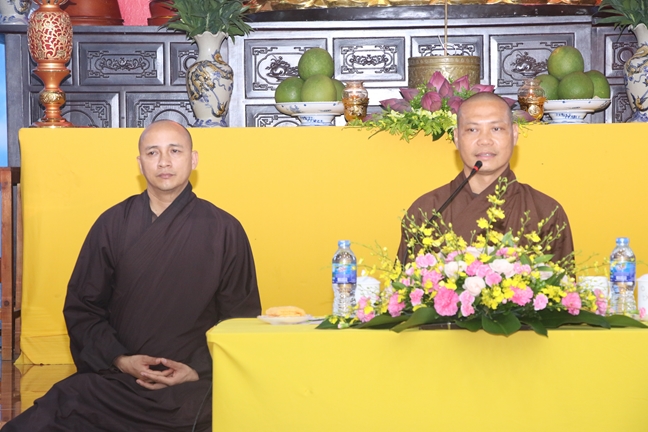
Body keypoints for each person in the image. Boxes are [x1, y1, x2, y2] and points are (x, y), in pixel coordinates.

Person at [2, 120, 261, 431]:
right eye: (152, 152)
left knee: (238, 409)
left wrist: (196, 370)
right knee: (59, 406)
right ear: (140, 164)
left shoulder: (224, 230)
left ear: (193, 160)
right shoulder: (112, 225)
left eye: (175, 151)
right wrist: (121, 360)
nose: (163, 162)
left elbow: (240, 319)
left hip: (193, 384)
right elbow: (83, 309)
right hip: (120, 382)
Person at [397, 92, 573, 265]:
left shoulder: (545, 211)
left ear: (514, 134)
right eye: (472, 130)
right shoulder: (427, 211)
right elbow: (406, 282)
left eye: (496, 129)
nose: (485, 140)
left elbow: (562, 283)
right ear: (456, 137)